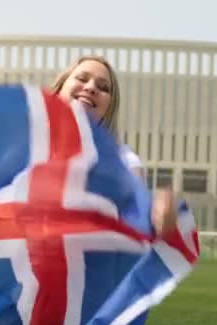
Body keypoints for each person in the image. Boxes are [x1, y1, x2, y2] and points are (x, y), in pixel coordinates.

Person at [50, 55, 177, 237]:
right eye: (82, 78)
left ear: (109, 108)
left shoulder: (124, 161)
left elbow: (137, 215)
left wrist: (157, 218)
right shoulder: (18, 145)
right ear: (60, 88)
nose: (91, 87)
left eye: (103, 88)